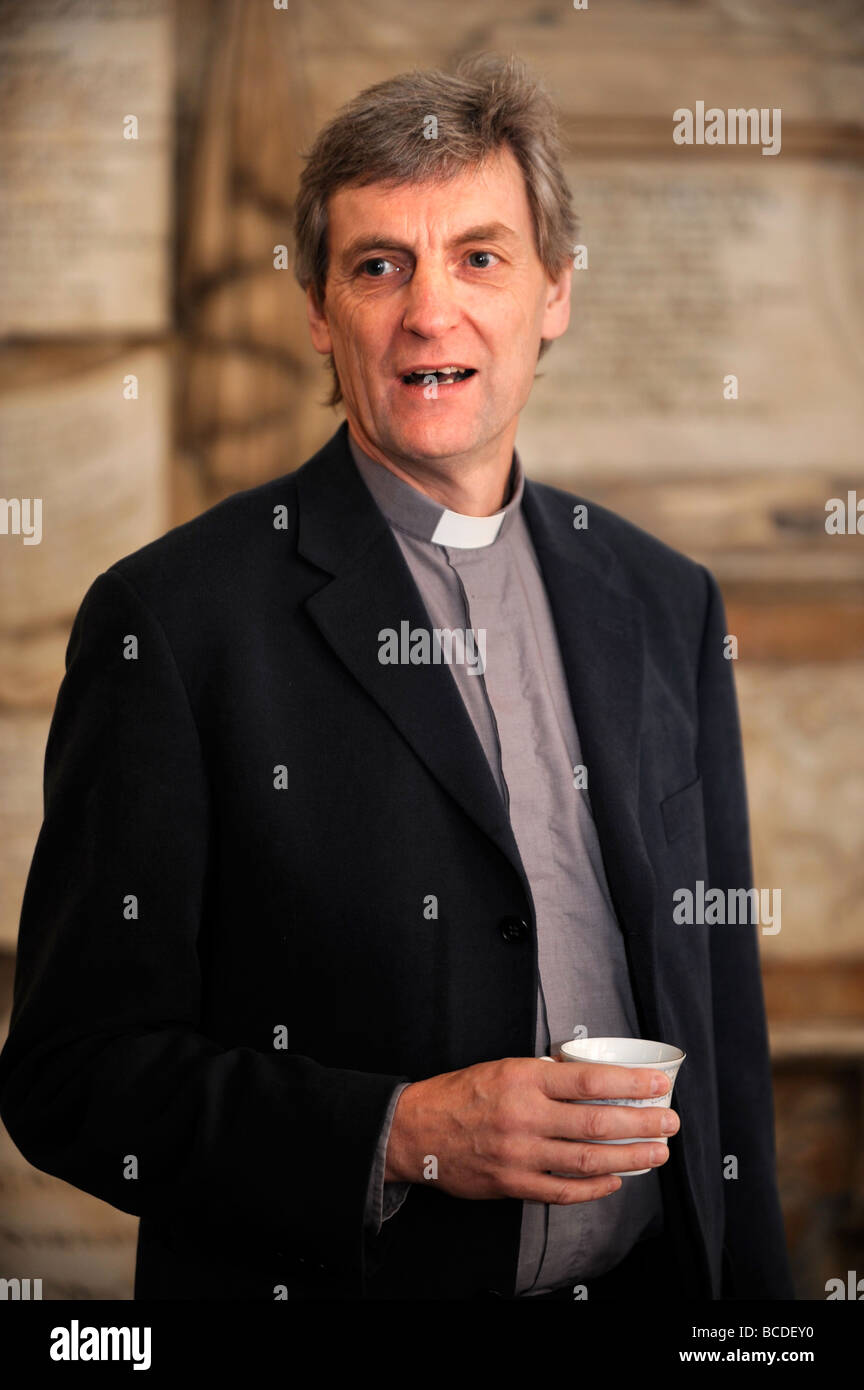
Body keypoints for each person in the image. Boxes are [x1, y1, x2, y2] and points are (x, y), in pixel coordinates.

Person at [0, 54, 793, 1301]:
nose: (432, 312)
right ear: (320, 312)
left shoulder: (664, 600)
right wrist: (407, 1132)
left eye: (480, 256)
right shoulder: (171, 623)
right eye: (380, 265)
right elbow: (71, 1076)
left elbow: (722, 1027)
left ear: (555, 292)